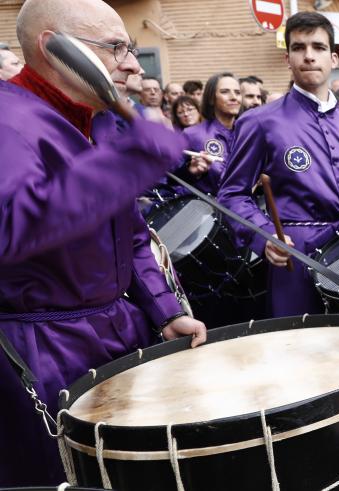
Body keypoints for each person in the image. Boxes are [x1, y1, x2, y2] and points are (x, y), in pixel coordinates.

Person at [0, 0, 207, 485]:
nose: (133, 63)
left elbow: (131, 232)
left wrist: (164, 310)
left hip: (118, 331)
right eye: (115, 48)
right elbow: (12, 229)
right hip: (39, 346)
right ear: (55, 49)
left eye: (129, 48)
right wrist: (128, 161)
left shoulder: (100, 121)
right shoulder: (6, 120)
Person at [218, 12, 339, 318]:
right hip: (295, 254)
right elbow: (231, 194)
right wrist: (263, 236)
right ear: (288, 59)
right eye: (299, 48)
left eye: (318, 47)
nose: (309, 56)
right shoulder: (259, 121)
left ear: (334, 58)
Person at [174, 72, 241, 195]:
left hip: (247, 208)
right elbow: (172, 181)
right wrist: (190, 172)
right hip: (209, 210)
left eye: (238, 92)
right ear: (211, 98)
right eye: (225, 92)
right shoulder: (192, 134)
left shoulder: (249, 134)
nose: (234, 97)